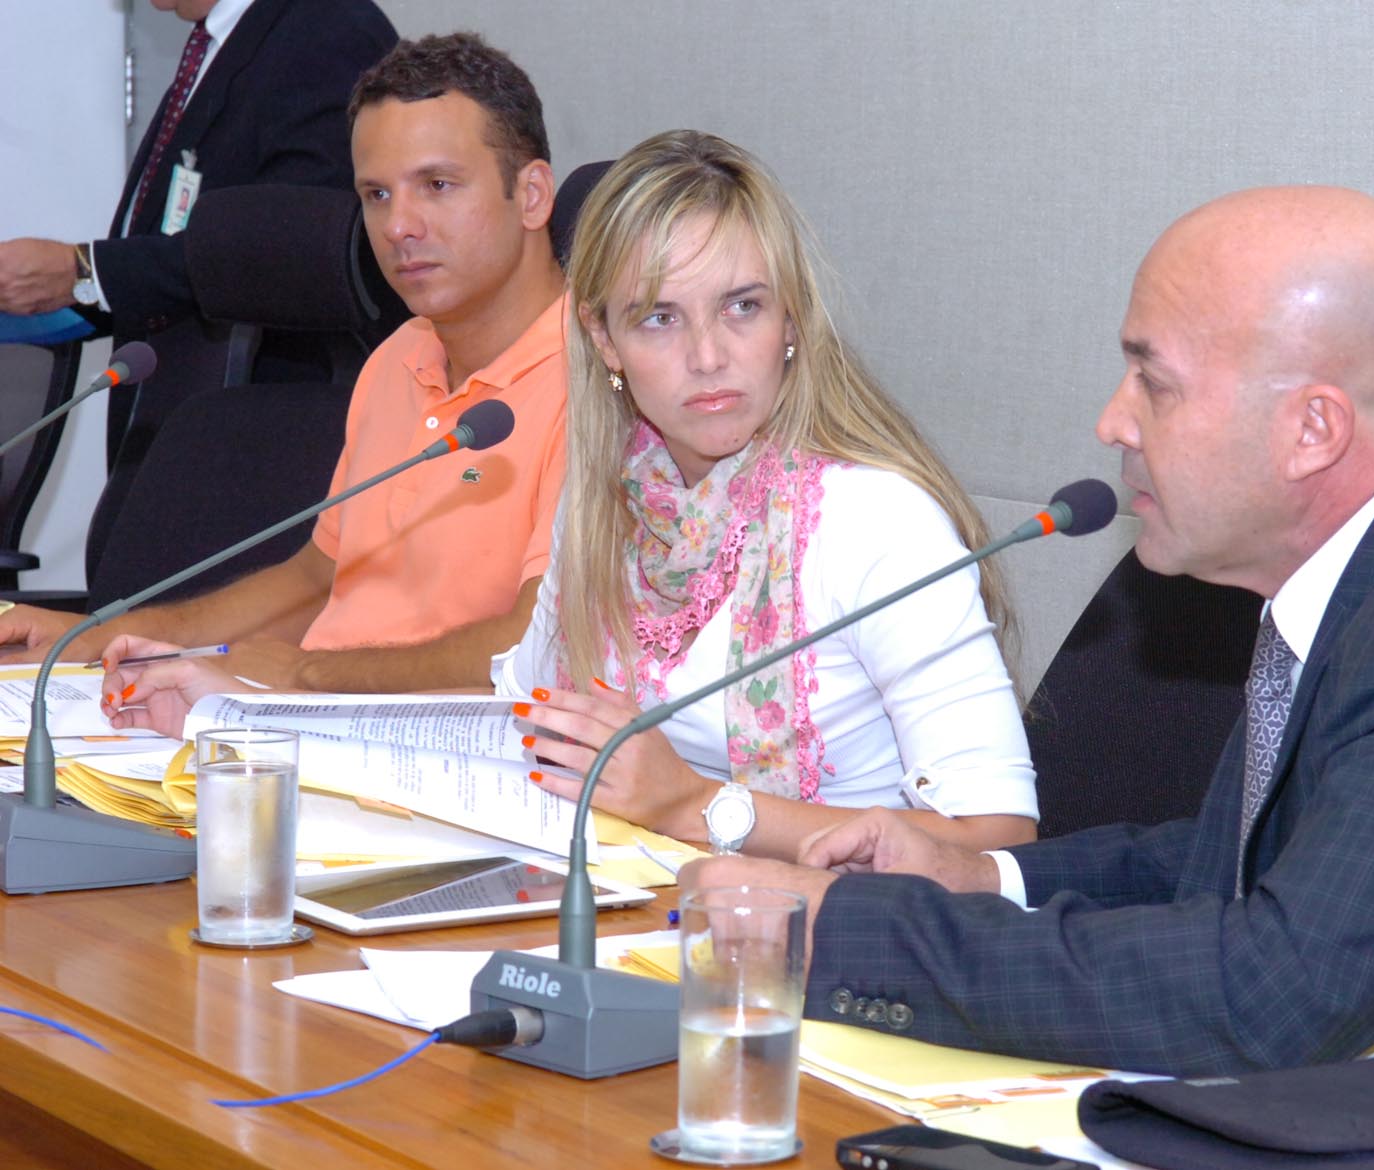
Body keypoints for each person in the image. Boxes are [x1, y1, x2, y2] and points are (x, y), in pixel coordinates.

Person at [685, 186, 1374, 1124]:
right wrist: (980, 876)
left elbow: (1268, 996)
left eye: (1152, 383)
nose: (1112, 422)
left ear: (1311, 431)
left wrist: (847, 936)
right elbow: (1256, 863)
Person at [496, 130, 1036, 859]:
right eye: (659, 318)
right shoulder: (608, 500)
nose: (708, 356)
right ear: (604, 339)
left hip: (847, 918)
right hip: (638, 900)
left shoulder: (877, 519)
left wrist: (694, 805)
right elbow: (525, 712)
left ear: (790, 318)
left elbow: (999, 839)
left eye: (742, 307)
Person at [2, 32, 569, 694]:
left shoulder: (602, 382)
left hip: (446, 739)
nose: (398, 226)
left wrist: (306, 675)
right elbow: (316, 583)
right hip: (315, 721)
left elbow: (541, 643)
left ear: (533, 195)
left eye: (437, 185)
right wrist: (90, 639)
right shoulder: (401, 356)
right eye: (376, 195)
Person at [0, 0, 397, 461]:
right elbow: (176, 237)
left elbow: (292, 250)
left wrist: (86, 271)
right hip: (181, 429)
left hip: (265, 448)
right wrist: (65, 285)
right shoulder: (221, 40)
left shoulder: (330, 33)